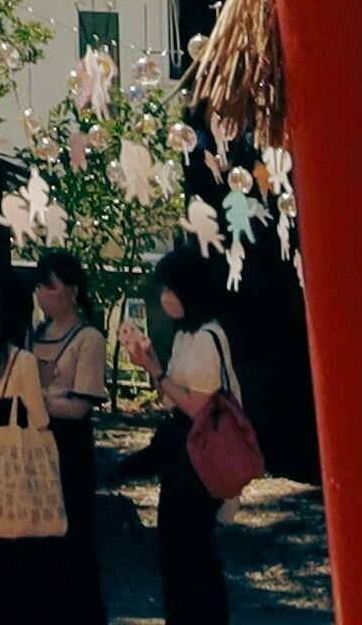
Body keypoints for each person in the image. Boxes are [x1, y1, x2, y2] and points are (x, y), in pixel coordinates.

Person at [0, 273, 101, 619]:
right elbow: (40, 419)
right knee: (20, 560)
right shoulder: (22, 362)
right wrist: (42, 383)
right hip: (15, 465)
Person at [144, 258, 243, 625]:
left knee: (192, 553)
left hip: (200, 455)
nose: (164, 298)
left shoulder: (206, 337)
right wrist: (155, 368)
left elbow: (196, 406)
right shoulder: (185, 335)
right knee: (176, 551)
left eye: (170, 290)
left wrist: (156, 373)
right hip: (182, 452)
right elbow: (172, 395)